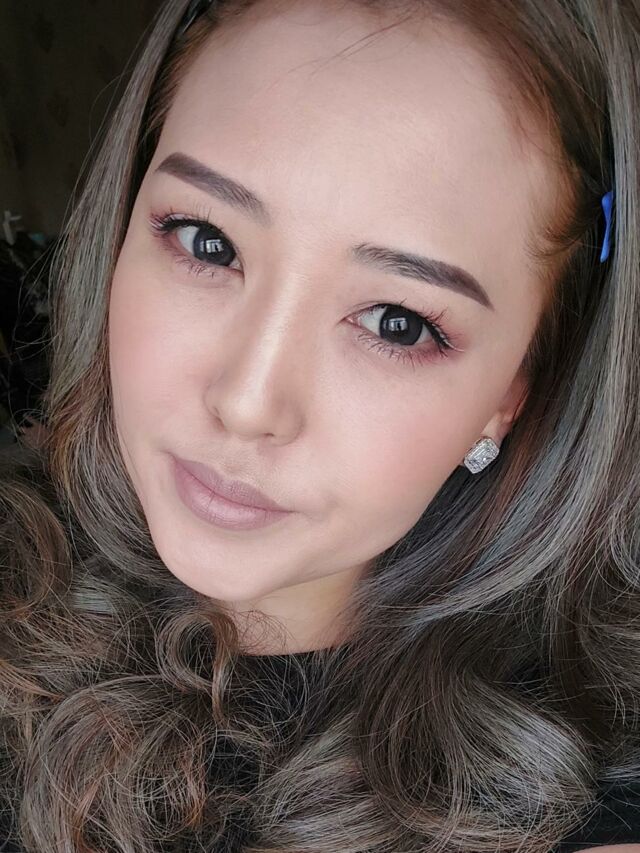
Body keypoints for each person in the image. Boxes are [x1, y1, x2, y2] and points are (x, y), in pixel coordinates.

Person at [0, 0, 639, 850]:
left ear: (514, 391)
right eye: (206, 241)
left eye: (397, 324)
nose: (247, 401)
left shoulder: (576, 799)